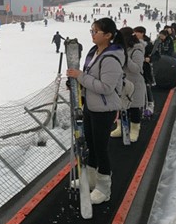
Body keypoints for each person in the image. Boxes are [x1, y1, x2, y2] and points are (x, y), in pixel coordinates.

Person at [66, 17, 126, 205]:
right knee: (91, 145)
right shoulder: (94, 51)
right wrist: (75, 82)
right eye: (91, 30)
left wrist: (81, 77)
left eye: (96, 32)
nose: (92, 34)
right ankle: (91, 178)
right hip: (91, 106)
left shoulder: (112, 58)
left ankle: (103, 188)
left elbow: (106, 87)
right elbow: (89, 77)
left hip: (104, 109)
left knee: (101, 149)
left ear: (108, 35)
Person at [112, 27, 146, 142]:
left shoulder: (137, 50)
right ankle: (120, 127)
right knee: (121, 107)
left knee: (134, 108)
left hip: (134, 84)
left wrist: (126, 58)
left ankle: (135, 129)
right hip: (122, 83)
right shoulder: (120, 49)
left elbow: (137, 69)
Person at [133, 26, 155, 115]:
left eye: (137, 32)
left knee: (146, 87)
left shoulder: (148, 44)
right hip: (137, 69)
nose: (135, 34)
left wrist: (149, 58)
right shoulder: (133, 43)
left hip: (145, 69)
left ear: (142, 33)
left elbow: (155, 55)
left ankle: (150, 105)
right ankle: (140, 105)